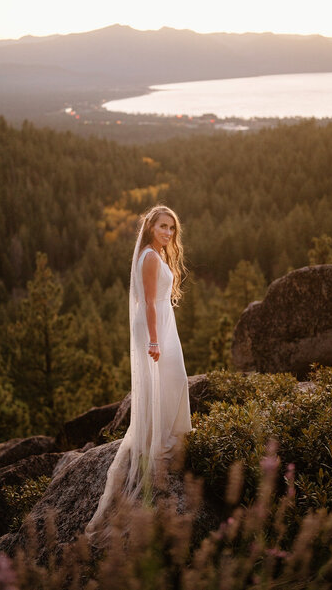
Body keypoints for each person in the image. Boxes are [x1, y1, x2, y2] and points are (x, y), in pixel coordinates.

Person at [84, 204, 192, 546]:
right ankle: (158, 445)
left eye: (172, 228)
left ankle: (166, 438)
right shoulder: (148, 256)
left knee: (173, 379)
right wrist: (155, 340)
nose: (168, 233)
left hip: (162, 321)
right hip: (153, 325)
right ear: (150, 227)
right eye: (163, 227)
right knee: (167, 378)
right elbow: (146, 302)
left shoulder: (158, 254)